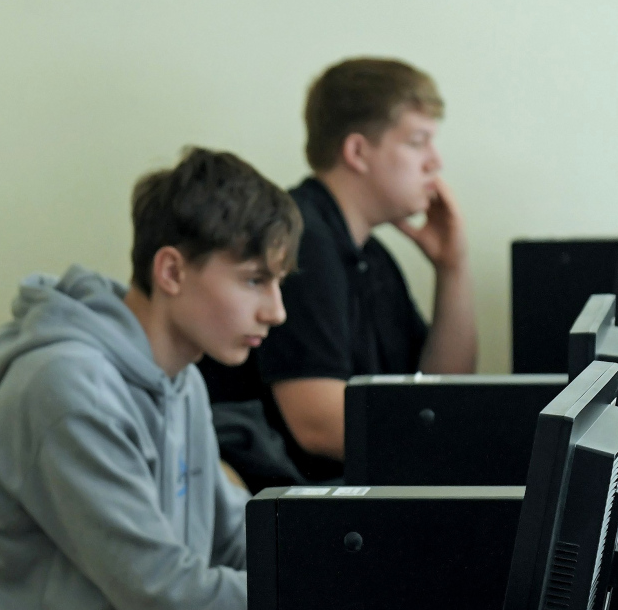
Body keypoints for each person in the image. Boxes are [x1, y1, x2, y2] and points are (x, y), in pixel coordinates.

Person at [0, 147, 299, 610]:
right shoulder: (69, 388)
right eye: (254, 280)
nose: (277, 311)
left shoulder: (182, 380)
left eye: (278, 283)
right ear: (172, 271)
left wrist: (338, 577)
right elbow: (167, 598)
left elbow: (234, 539)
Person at [201, 57, 477, 488]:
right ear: (357, 152)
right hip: (283, 506)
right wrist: (469, 450)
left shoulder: (371, 255)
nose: (434, 162)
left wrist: (452, 267)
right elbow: (320, 424)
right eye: (418, 142)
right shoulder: (302, 242)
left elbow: (441, 390)